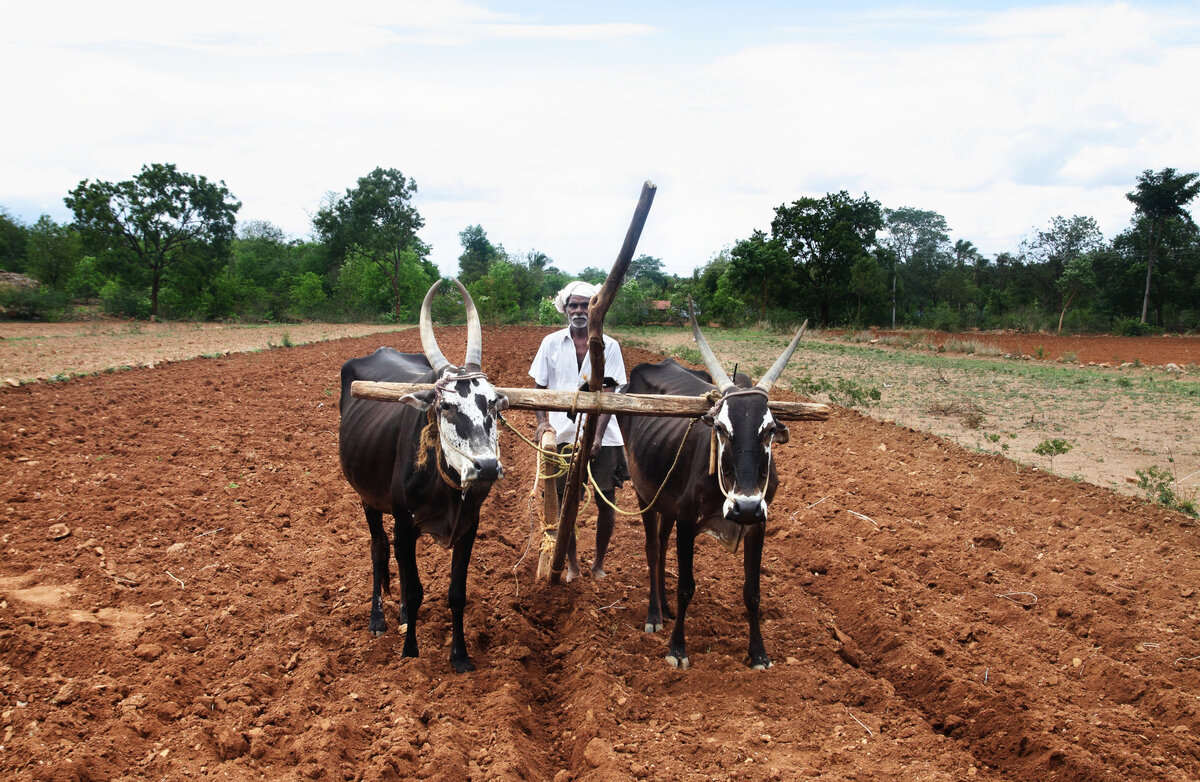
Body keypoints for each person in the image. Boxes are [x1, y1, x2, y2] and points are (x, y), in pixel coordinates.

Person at [529, 280, 629, 581]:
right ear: (565, 309)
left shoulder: (610, 346)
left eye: (585, 305)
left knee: (605, 499)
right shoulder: (550, 343)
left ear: (595, 309)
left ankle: (598, 563)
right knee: (565, 499)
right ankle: (573, 565)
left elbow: (611, 394)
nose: (579, 310)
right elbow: (539, 389)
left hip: (606, 436)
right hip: (562, 435)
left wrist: (597, 436)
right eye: (573, 305)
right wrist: (543, 422)